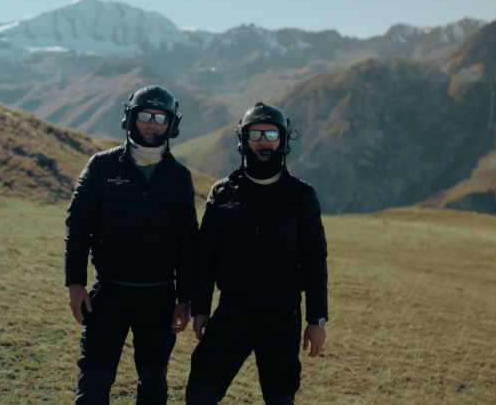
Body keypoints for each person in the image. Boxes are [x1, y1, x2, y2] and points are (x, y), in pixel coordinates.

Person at [186, 102, 328, 405]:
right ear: (243, 141)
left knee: (280, 398)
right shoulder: (222, 193)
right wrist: (200, 309)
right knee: (200, 391)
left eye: (271, 133)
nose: (263, 141)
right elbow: (206, 257)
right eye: (255, 134)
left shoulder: (302, 195)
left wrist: (317, 319)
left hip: (282, 315)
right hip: (232, 312)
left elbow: (316, 259)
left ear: (283, 140)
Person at [64, 85, 198, 405]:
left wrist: (185, 299)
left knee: (153, 385)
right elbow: (78, 226)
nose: (152, 124)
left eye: (160, 118)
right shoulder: (101, 166)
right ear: (130, 117)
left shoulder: (179, 177)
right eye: (144, 116)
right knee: (93, 386)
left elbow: (189, 241)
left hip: (160, 298)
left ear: (172, 124)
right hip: (108, 294)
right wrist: (75, 284)